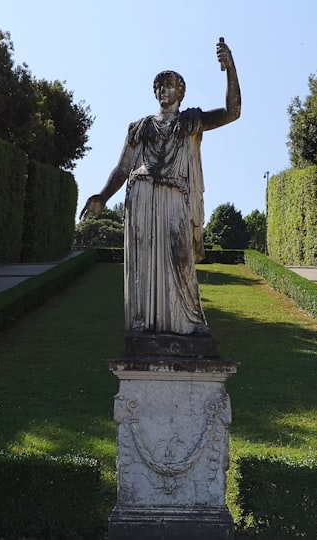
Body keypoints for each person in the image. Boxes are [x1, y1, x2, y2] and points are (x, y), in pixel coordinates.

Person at [81, 39, 241, 337]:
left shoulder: (191, 120)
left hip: (174, 196)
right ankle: (144, 324)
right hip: (141, 196)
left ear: (180, 92)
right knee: (143, 262)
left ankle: (190, 322)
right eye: (159, 87)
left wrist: (230, 69)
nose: (162, 91)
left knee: (181, 259)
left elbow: (232, 112)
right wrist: (102, 197)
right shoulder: (139, 126)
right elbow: (122, 167)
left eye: (169, 86)